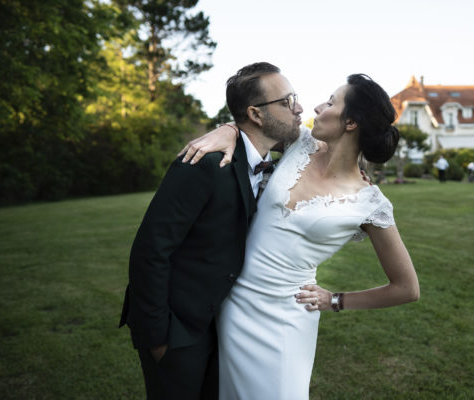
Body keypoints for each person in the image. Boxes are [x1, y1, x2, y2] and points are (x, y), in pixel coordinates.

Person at [183, 74, 420, 399]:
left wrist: (335, 300)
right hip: (233, 304)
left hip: (285, 318)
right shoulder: (300, 142)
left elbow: (406, 288)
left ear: (350, 122)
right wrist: (227, 130)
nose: (318, 107)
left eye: (332, 102)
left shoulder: (371, 203)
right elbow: (254, 125)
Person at [118, 62, 303, 399]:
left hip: (228, 326)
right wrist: (159, 338)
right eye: (288, 101)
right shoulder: (203, 164)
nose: (299, 108)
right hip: (179, 328)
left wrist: (230, 127)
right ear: (256, 114)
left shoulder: (275, 169)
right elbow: (151, 250)